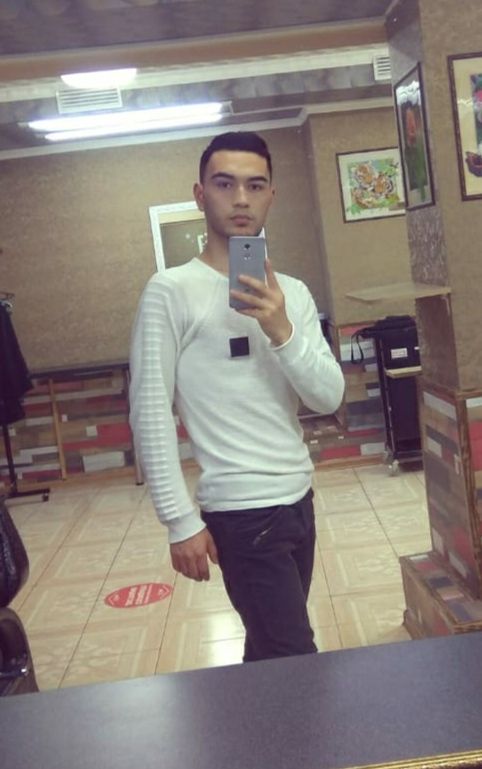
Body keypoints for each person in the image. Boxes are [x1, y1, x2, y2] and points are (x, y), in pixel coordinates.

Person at [129, 131, 345, 662]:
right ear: (200, 194)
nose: (241, 198)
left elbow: (328, 397)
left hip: (299, 500)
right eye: (225, 184)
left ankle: (254, 719)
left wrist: (281, 328)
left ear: (272, 195)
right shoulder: (170, 291)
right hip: (242, 514)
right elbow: (150, 410)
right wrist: (180, 520)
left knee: (270, 653)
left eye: (255, 185)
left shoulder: (292, 293)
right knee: (294, 657)